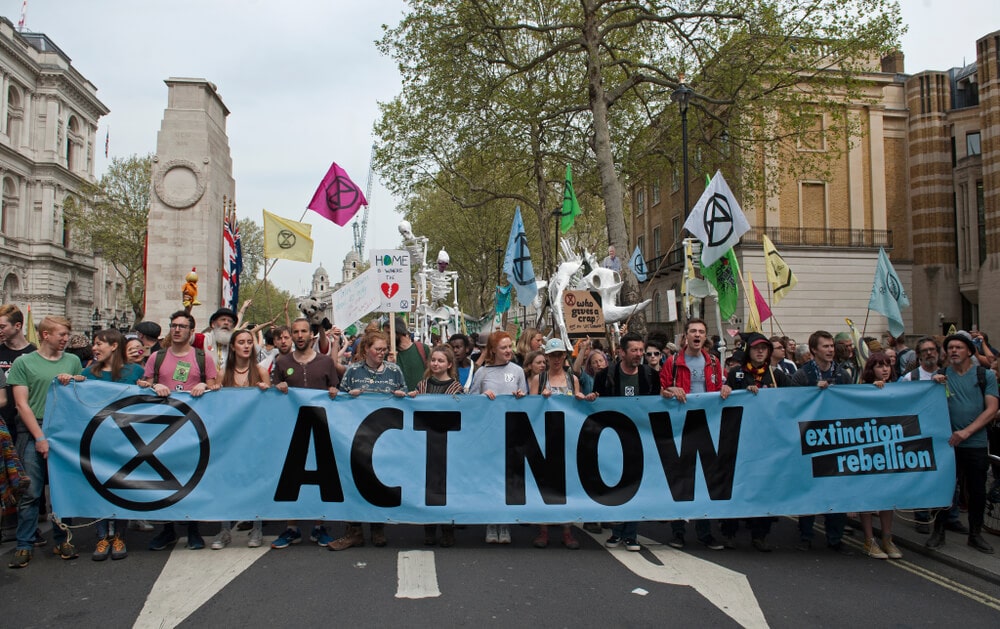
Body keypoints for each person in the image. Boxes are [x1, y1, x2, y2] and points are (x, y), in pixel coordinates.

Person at [136, 311, 218, 552]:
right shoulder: (157, 357)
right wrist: (154, 385)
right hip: (162, 428)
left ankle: (193, 530)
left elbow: (215, 385)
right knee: (164, 480)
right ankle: (167, 530)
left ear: (191, 331)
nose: (177, 330)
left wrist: (204, 385)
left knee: (191, 478)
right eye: (173, 325)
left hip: (192, 429)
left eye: (182, 326)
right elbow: (143, 384)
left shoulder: (202, 358)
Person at [59, 329, 143, 561]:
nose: (94, 348)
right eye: (94, 344)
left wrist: (151, 386)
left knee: (122, 486)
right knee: (99, 486)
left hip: (125, 439)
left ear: (114, 346)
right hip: (98, 440)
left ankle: (120, 536)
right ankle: (102, 536)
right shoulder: (89, 373)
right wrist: (70, 382)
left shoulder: (134, 371)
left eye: (99, 344)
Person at [7, 315, 83, 568]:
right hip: (33, 430)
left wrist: (77, 380)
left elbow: (80, 395)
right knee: (31, 492)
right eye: (62, 334)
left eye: (67, 335)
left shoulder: (72, 361)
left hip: (63, 430)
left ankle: (63, 539)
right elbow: (22, 404)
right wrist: (39, 437)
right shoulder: (24, 362)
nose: (66, 339)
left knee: (62, 489)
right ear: (45, 335)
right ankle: (24, 544)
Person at [328, 330, 406, 551]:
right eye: (377, 349)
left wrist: (402, 395)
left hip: (384, 439)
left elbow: (406, 397)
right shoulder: (353, 371)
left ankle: (378, 528)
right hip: (356, 437)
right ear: (366, 350)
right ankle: (354, 531)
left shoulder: (394, 371)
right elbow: (339, 400)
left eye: (384, 349)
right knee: (353, 483)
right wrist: (345, 395)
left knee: (379, 483)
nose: (382, 353)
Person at [925, 331, 998, 554]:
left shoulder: (985, 375)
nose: (954, 351)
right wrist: (933, 385)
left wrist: (966, 432)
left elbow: (992, 409)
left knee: (977, 491)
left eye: (958, 347)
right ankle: (939, 531)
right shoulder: (941, 375)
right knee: (944, 489)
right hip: (947, 444)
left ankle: (975, 534)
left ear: (969, 352)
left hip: (975, 443)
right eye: (950, 348)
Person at [659, 318, 730, 550]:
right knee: (681, 480)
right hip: (681, 426)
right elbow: (661, 390)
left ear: (705, 336)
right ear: (685, 336)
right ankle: (678, 532)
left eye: (701, 331)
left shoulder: (713, 362)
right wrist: (670, 390)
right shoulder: (673, 362)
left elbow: (720, 387)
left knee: (704, 481)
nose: (697, 335)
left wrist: (726, 388)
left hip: (706, 426)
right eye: (693, 331)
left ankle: (704, 532)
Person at [271, 318, 341, 550]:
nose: (300, 335)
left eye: (303, 331)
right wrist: (278, 388)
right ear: (291, 335)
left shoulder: (325, 362)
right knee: (291, 477)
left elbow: (336, 389)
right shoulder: (282, 362)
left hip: (321, 428)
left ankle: (320, 526)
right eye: (295, 332)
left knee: (322, 476)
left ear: (312, 335)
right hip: (291, 430)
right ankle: (292, 527)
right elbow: (273, 395)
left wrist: (334, 391)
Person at [721, 332, 789, 552]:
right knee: (736, 487)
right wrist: (732, 391)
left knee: (764, 489)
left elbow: (795, 399)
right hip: (740, 440)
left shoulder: (777, 376)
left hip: (767, 442)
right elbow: (725, 401)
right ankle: (729, 532)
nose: (760, 352)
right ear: (748, 351)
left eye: (764, 348)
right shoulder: (737, 374)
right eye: (755, 348)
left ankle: (760, 535)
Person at [594, 332, 659, 552]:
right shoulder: (605, 376)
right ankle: (617, 532)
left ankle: (631, 534)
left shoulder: (650, 375)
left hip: (640, 438)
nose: (639, 354)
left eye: (641, 350)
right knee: (616, 487)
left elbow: (655, 404)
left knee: (635, 487)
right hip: (613, 439)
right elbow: (597, 404)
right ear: (622, 352)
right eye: (634, 350)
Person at [790, 330, 854, 555]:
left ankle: (835, 537)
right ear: (814, 350)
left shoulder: (843, 375)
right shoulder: (802, 375)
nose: (830, 350)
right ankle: (806, 536)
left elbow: (851, 404)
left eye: (831, 346)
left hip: (835, 439)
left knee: (836, 489)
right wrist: (811, 393)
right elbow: (793, 405)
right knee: (808, 489)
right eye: (825, 346)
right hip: (809, 438)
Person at [209, 329, 271, 550]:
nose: (246, 346)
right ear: (233, 347)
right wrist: (214, 390)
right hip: (230, 438)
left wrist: (267, 390)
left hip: (254, 437)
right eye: (241, 342)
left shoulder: (261, 371)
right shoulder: (222, 373)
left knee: (255, 481)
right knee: (226, 482)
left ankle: (257, 528)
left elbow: (271, 406)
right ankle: (224, 530)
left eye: (249, 342)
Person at [531, 338, 594, 550]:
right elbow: (529, 410)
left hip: (567, 439)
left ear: (564, 356)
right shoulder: (539, 379)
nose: (556, 359)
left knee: (566, 486)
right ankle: (543, 530)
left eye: (559, 355)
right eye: (552, 355)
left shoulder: (572, 379)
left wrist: (581, 398)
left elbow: (577, 408)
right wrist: (540, 399)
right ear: (547, 357)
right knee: (544, 485)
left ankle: (567, 531)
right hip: (543, 439)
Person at [469, 331, 527, 544]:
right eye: (503, 347)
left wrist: (521, 397)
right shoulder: (482, 373)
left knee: (507, 481)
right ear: (493, 350)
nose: (508, 350)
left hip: (511, 434)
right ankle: (490, 523)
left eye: (510, 346)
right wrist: (482, 397)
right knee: (490, 480)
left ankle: (505, 523)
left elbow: (527, 399)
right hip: (489, 436)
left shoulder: (518, 371)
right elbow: (471, 401)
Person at [408, 345, 463, 547]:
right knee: (427, 487)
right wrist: (411, 398)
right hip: (425, 443)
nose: (436, 364)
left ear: (449, 364)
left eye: (440, 361)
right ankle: (429, 528)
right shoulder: (422, 386)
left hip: (448, 444)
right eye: (433, 360)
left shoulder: (456, 388)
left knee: (447, 488)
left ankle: (448, 529)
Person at [854, 352, 903, 559]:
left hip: (888, 447)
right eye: (879, 366)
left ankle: (887, 538)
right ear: (871, 370)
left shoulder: (898, 389)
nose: (884, 369)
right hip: (868, 449)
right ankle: (869, 540)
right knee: (867, 494)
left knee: (887, 495)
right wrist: (872, 391)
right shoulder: (862, 389)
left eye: (887, 365)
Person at [0, 305, 36, 542]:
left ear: (18, 326)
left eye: (2, 326)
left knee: (25, 473)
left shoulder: (33, 354)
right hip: (3, 423)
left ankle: (30, 521)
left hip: (24, 422)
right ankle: (10, 522)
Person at [386, 316, 426, 392]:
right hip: (398, 397)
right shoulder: (388, 355)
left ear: (399, 331)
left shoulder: (423, 349)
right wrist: (389, 365)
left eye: (388, 333)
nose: (386, 337)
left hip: (421, 397)